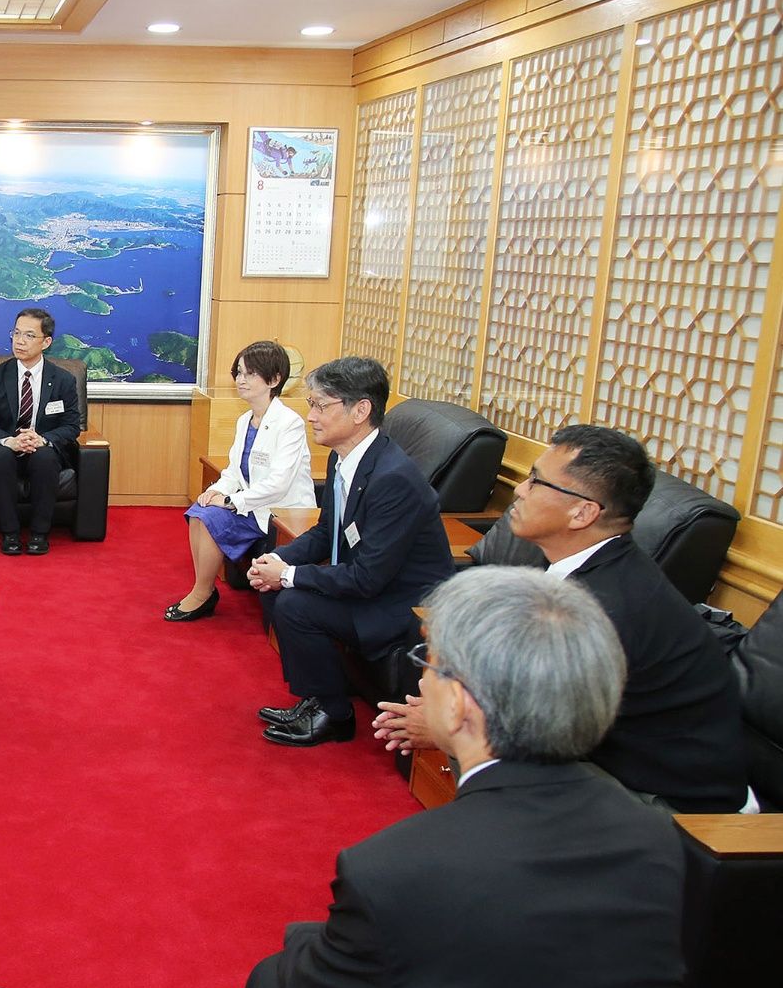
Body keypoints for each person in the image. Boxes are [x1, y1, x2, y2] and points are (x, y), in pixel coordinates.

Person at [225, 568, 683, 988]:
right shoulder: (658, 836)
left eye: (429, 664)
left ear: (461, 704)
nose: (420, 682)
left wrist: (304, 939)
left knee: (274, 983)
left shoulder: (394, 867)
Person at [376, 424, 751, 813]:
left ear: (583, 512)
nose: (519, 489)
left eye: (536, 481)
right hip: (607, 755)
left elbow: (540, 729)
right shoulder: (576, 565)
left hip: (667, 802)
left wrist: (445, 727)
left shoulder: (607, 608)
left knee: (472, 739)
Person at [246, 356, 452, 747]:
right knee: (275, 590)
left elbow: (369, 576)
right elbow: (327, 532)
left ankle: (335, 715)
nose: (311, 416)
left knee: (293, 603)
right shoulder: (344, 457)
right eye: (311, 405)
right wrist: (280, 561)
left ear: (361, 410)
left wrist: (288, 576)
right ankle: (317, 697)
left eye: (321, 405)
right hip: (368, 582)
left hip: (403, 601)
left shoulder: (393, 479)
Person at [165, 340, 315, 622]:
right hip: (252, 505)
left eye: (249, 374)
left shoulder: (289, 423)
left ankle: (201, 594)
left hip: (279, 510)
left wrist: (233, 501)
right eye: (238, 373)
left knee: (212, 518)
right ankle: (205, 591)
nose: (240, 380)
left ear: (274, 379)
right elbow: (235, 470)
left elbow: (279, 483)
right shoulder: (245, 419)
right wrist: (217, 491)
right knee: (199, 511)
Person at [0, 307, 81, 556]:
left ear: (47, 342)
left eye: (29, 336)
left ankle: (39, 534)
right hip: (5, 447)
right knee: (0, 457)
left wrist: (43, 439)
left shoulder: (63, 380)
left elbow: (71, 425)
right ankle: (9, 534)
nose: (19, 341)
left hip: (42, 447)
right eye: (16, 333)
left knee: (45, 457)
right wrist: (9, 441)